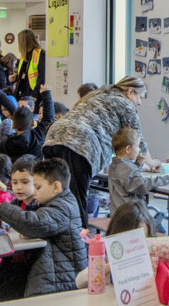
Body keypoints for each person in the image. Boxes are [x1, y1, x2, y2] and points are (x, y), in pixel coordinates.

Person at [0, 158, 86, 300]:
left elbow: (36, 223)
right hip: (50, 271)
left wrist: (2, 208)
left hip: (58, 279)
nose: (34, 192)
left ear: (56, 187)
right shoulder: (57, 202)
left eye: (38, 187)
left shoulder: (62, 206)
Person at [43, 76, 147, 212]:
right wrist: (150, 162)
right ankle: (79, 232)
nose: (139, 103)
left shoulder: (98, 95)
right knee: (76, 200)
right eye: (140, 97)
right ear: (130, 91)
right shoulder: (124, 103)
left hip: (53, 138)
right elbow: (137, 138)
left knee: (53, 193)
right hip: (80, 144)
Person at [0, 97, 52, 163]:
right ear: (33, 122)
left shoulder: (5, 145)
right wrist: (46, 94)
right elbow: (48, 119)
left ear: (13, 125)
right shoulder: (38, 137)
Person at [12, 28, 46, 103]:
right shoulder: (23, 55)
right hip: (23, 93)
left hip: (34, 94)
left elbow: (42, 77)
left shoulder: (40, 54)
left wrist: (35, 95)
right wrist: (15, 76)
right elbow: (24, 72)